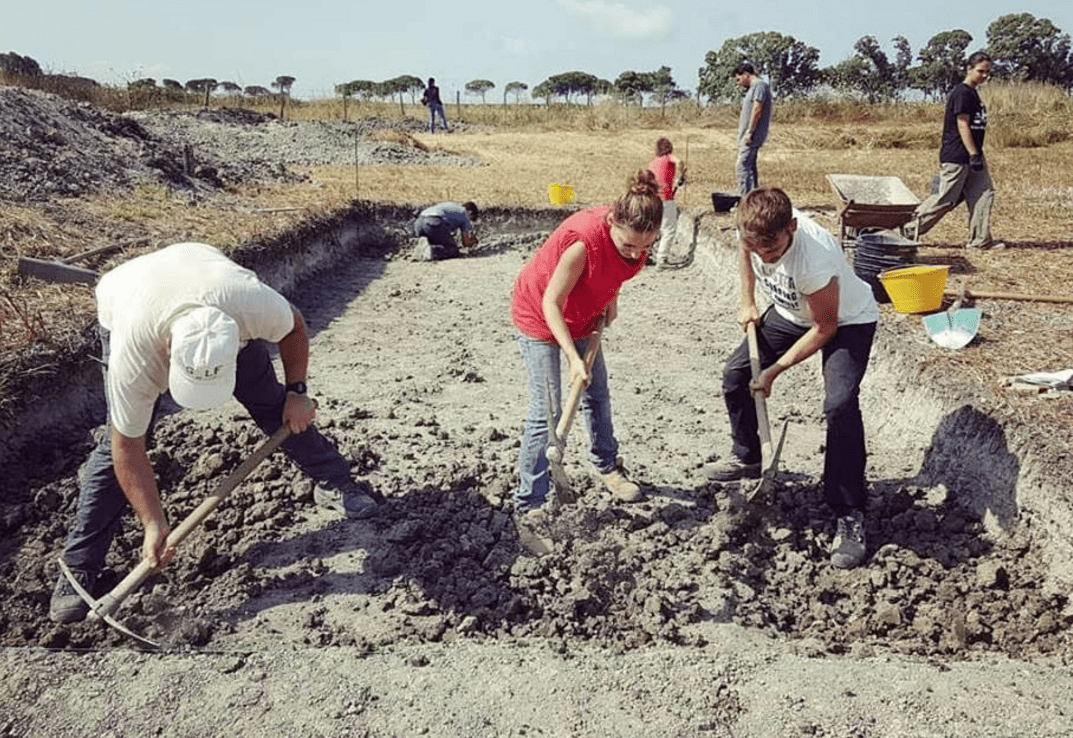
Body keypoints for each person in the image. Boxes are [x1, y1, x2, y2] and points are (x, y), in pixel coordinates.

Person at [49, 242, 380, 624]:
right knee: (114, 446)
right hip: (128, 293)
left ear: (239, 340)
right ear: (169, 351)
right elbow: (128, 448)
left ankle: (335, 481)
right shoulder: (135, 353)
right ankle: (78, 568)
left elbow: (295, 326)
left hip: (206, 278)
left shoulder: (249, 306)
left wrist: (298, 392)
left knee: (273, 404)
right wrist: (154, 523)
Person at [705, 187, 879, 569]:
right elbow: (744, 250)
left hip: (846, 321)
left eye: (774, 252)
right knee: (735, 377)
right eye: (760, 252)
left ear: (792, 228)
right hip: (790, 313)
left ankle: (848, 511)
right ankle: (748, 456)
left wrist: (774, 371)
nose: (766, 258)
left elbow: (824, 328)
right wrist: (747, 299)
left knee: (840, 404)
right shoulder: (751, 226)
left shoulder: (814, 260)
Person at [510, 170, 662, 513]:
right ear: (612, 221)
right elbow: (551, 302)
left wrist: (611, 296)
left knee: (597, 393)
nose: (636, 253)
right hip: (540, 312)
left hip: (584, 313)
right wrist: (573, 358)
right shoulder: (584, 242)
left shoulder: (635, 242)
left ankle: (607, 466)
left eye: (645, 246)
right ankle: (529, 501)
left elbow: (615, 269)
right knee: (546, 410)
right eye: (628, 245)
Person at [906, 51, 1003, 250]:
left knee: (984, 194)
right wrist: (973, 154)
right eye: (981, 71)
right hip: (958, 155)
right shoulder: (962, 93)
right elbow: (962, 125)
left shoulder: (973, 92)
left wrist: (977, 155)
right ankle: (907, 230)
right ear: (969, 69)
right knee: (946, 198)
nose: (985, 76)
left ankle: (980, 240)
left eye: (987, 72)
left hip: (974, 155)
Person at [733, 62, 772, 197]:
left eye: (738, 79)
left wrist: (750, 132)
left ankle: (744, 200)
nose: (738, 83)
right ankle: (754, 198)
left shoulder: (759, 86)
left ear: (746, 75)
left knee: (742, 166)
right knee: (750, 168)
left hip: (752, 136)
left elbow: (757, 109)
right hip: (748, 135)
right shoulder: (754, 88)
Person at [647, 137, 687, 268]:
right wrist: (680, 176)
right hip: (665, 198)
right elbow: (680, 162)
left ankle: (646, 255)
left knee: (655, 228)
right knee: (669, 230)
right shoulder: (668, 157)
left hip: (653, 199)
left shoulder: (653, 162)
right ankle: (662, 259)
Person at [413, 201, 479, 260]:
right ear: (471, 213)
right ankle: (432, 251)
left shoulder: (452, 206)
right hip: (433, 222)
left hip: (419, 223)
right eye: (472, 219)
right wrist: (474, 242)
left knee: (439, 243)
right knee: (453, 250)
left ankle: (424, 245)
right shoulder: (465, 213)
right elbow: (466, 243)